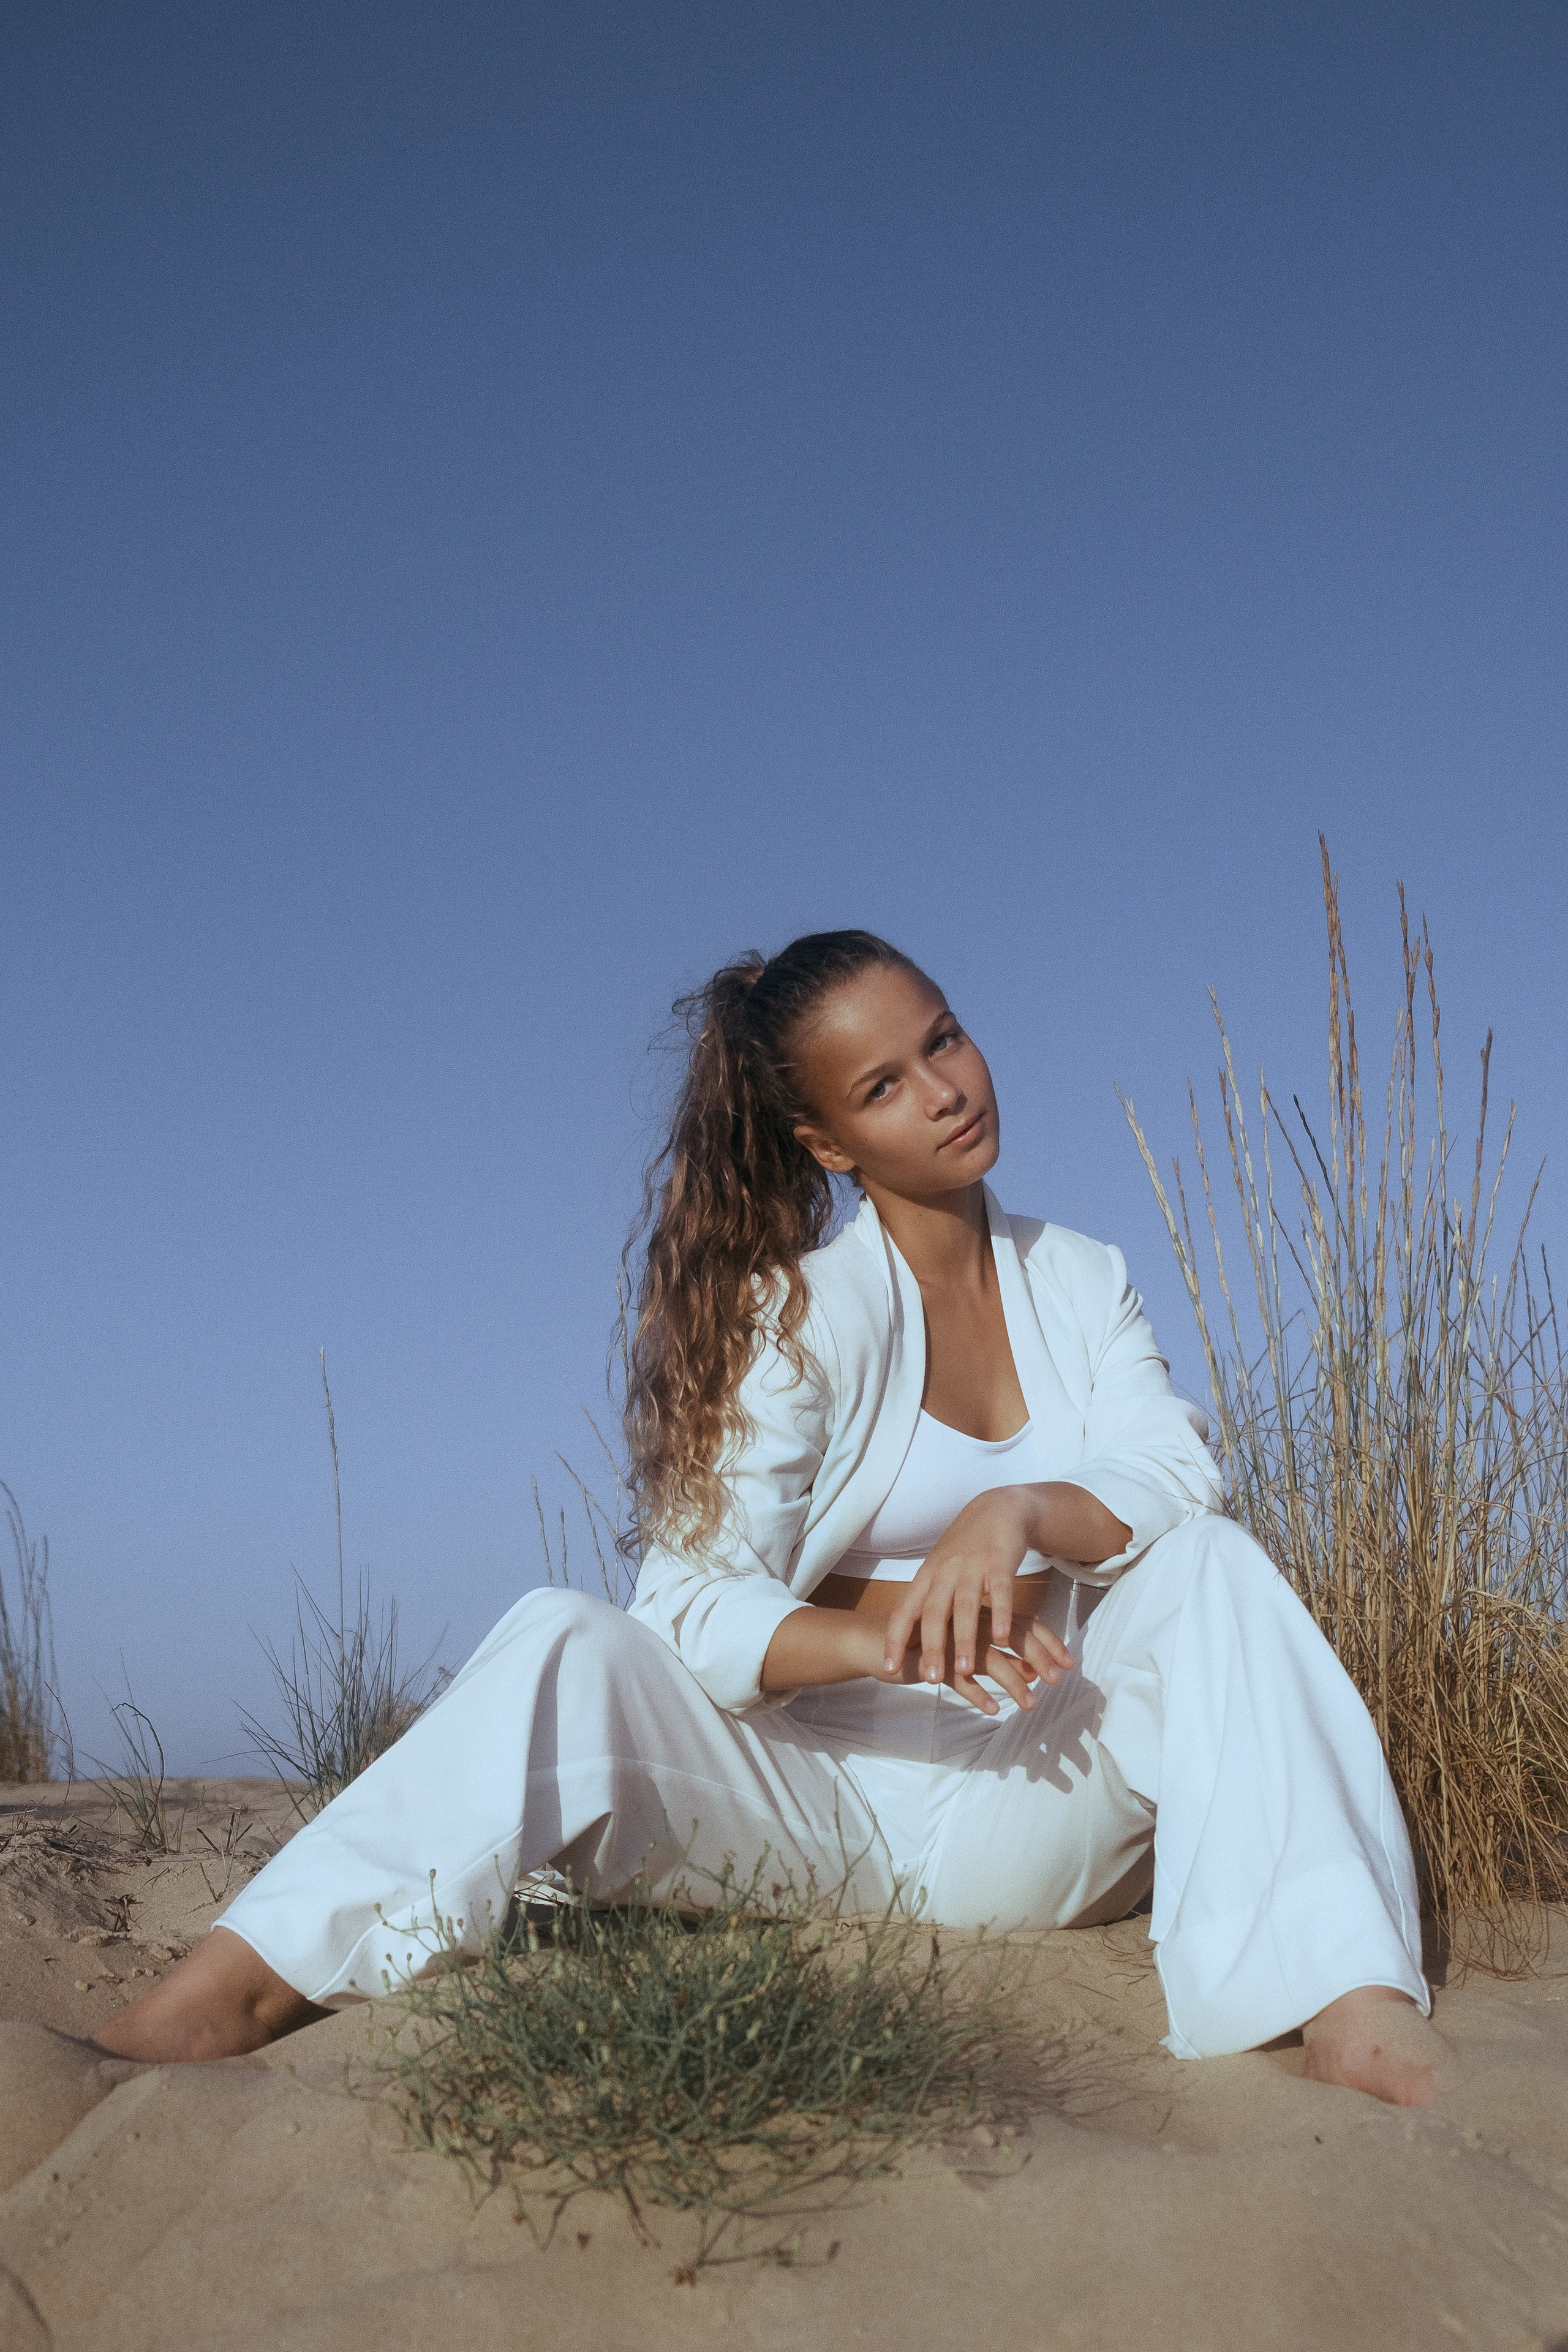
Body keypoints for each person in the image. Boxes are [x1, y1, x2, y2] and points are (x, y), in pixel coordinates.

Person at [95, 930, 1444, 2102]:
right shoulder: (794, 1319)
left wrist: (1012, 1506)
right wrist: (885, 1642)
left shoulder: (1081, 1280)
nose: (941, 1090)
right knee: (565, 1636)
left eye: (944, 1039)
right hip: (810, 1810)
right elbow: (687, 1605)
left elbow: (1174, 1480)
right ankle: (233, 1991)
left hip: (1033, 1804)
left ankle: (1345, 2002)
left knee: (1207, 1564)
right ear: (825, 1140)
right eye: (882, 1084)